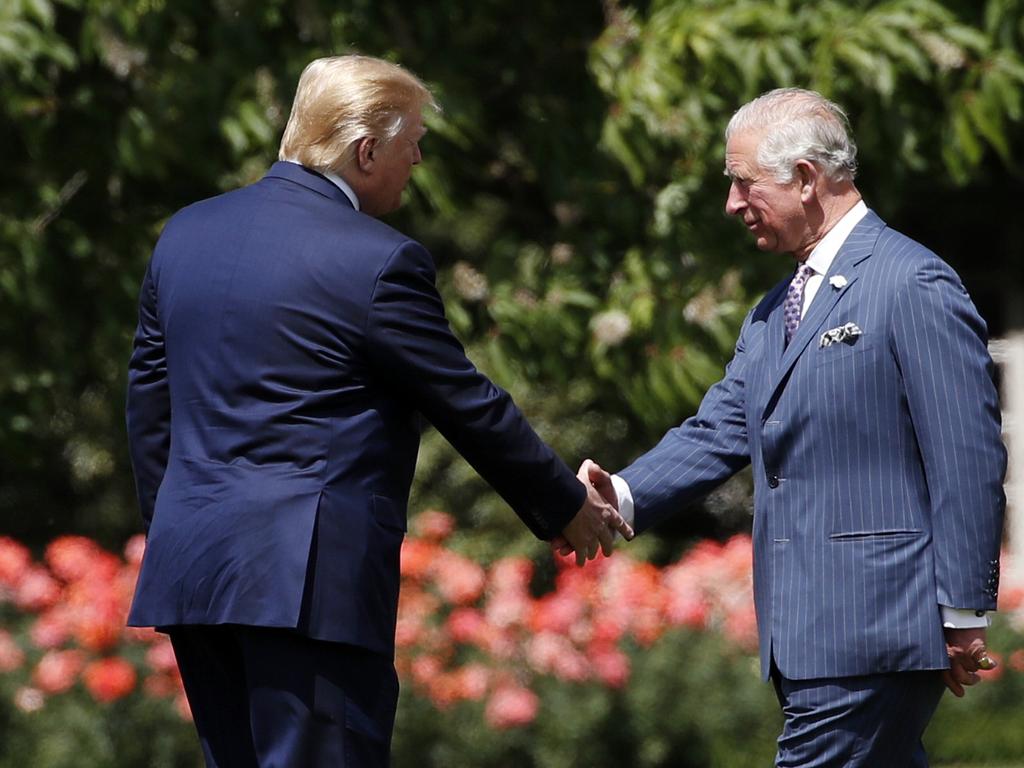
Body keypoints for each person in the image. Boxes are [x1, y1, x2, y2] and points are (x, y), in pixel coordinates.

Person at [125, 55, 633, 768]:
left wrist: (184, 525)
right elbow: (464, 402)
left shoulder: (184, 235)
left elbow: (152, 409)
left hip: (197, 574)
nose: (419, 157)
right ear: (366, 151)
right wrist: (563, 505)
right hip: (307, 588)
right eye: (412, 141)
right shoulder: (377, 260)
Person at [583, 88, 1006, 767]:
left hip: (874, 632)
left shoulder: (912, 282)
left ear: (806, 178)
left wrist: (961, 615)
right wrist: (618, 495)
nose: (731, 203)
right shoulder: (772, 309)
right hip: (812, 638)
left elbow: (967, 458)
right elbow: (718, 428)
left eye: (743, 183)